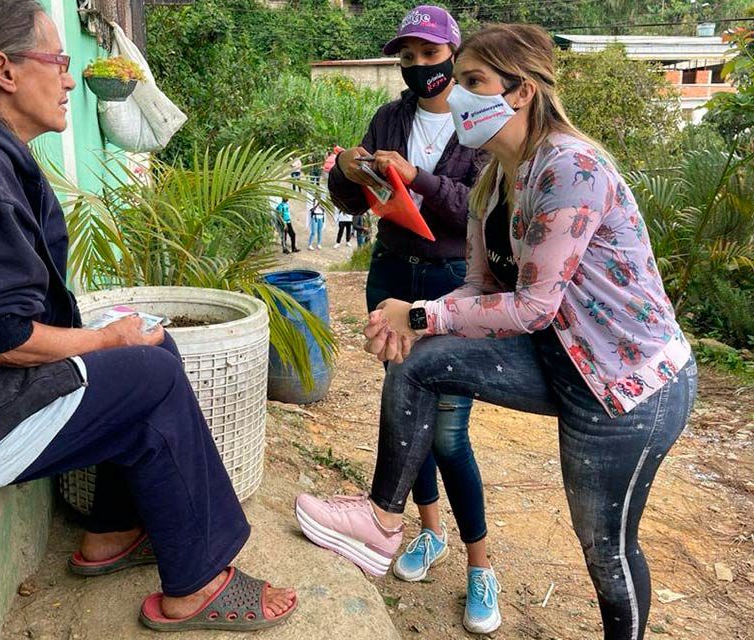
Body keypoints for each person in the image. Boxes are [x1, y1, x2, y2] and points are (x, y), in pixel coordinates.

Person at [0, 0, 297, 632]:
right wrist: (106, 337)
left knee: (147, 352)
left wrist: (116, 341)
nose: (70, 79)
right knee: (147, 373)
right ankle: (197, 587)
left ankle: (112, 534)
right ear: (4, 69)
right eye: (60, 61)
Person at [297, 24, 697, 640]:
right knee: (419, 361)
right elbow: (482, 288)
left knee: (605, 551)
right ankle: (381, 523)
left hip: (626, 386)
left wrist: (423, 314)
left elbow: (533, 305)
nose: (455, 95)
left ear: (522, 93)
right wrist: (414, 318)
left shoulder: (571, 168)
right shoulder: (495, 181)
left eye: (471, 82)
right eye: (457, 83)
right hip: (557, 355)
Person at [327, 2, 487, 606]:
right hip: (391, 273)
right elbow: (351, 202)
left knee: (448, 432)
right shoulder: (388, 118)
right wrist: (347, 171)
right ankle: (428, 532)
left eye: (431, 54)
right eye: (409, 56)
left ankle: (481, 563)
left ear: (454, 55)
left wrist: (417, 176)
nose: (419, 66)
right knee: (404, 411)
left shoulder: (479, 123)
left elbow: (478, 209)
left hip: (453, 279)